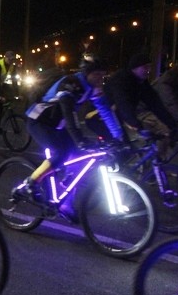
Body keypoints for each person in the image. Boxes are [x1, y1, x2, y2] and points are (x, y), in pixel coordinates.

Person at [16, 58, 123, 218]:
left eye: (103, 75)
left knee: (79, 158)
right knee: (61, 153)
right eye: (97, 75)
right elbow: (69, 114)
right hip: (39, 121)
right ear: (87, 73)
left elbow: (105, 111)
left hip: (57, 124)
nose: (100, 79)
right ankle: (31, 183)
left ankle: (66, 205)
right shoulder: (71, 83)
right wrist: (80, 140)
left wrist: (118, 136)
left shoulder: (94, 88)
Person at [104, 52, 178, 157]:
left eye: (149, 67)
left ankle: (151, 165)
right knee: (127, 146)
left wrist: (172, 125)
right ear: (134, 68)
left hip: (123, 114)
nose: (148, 70)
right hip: (106, 114)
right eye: (145, 67)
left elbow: (156, 104)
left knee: (156, 138)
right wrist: (137, 126)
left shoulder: (141, 82)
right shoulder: (120, 80)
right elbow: (123, 103)